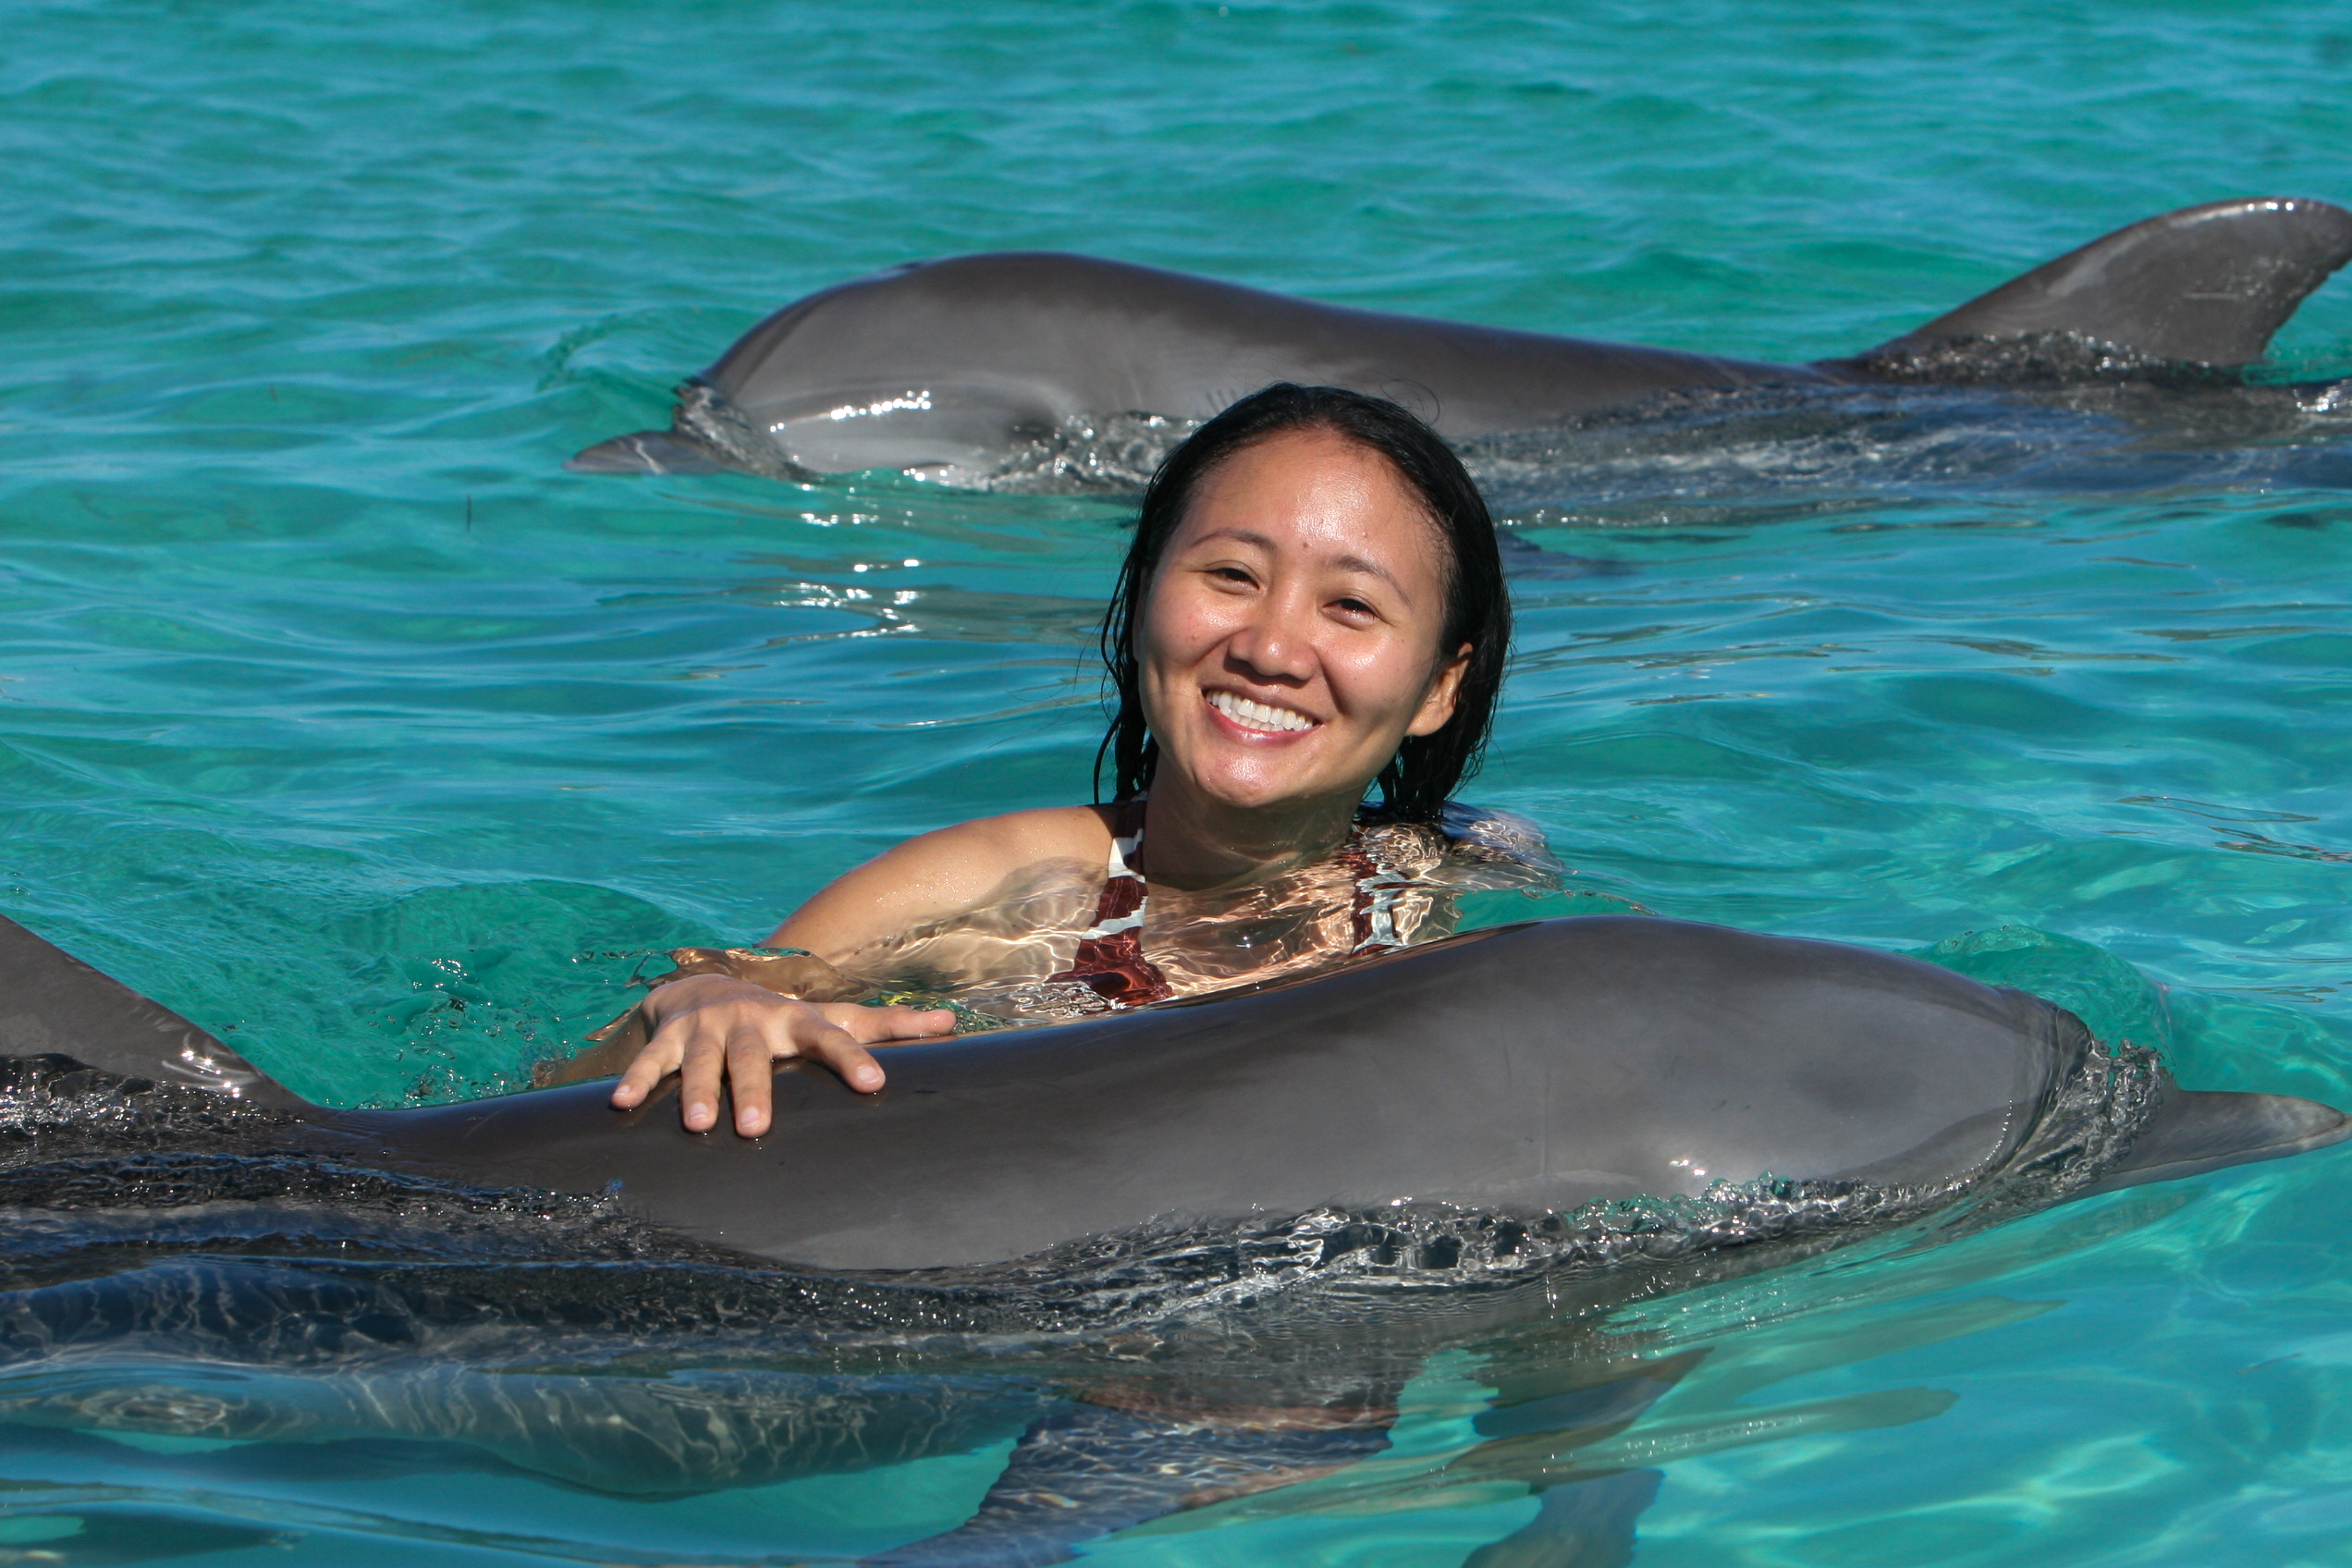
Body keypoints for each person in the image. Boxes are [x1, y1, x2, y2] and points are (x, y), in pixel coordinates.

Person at [609, 382, 1514, 1136]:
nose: (1272, 648)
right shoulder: (994, 886)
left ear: (1442, 683)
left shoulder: (1471, 880)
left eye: (1351, 605)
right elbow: (609, 1059)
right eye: (1231, 575)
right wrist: (688, 1008)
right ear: (1147, 589)